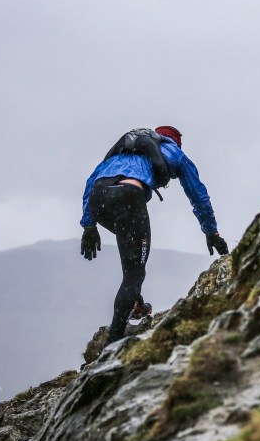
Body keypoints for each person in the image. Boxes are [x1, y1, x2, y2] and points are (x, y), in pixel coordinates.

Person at [79, 125, 229, 344]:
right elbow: (198, 195)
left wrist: (89, 227)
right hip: (129, 196)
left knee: (132, 262)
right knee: (134, 274)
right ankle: (113, 343)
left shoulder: (122, 150)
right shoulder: (173, 151)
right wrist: (211, 232)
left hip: (98, 199)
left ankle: (135, 302)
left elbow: (90, 182)